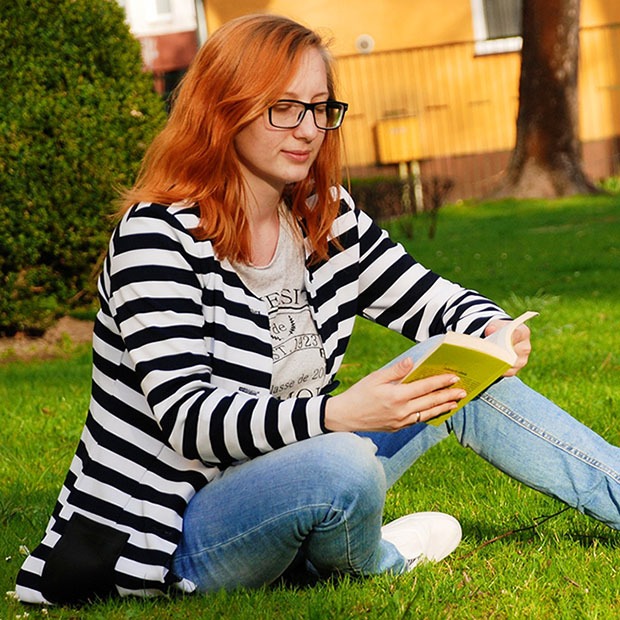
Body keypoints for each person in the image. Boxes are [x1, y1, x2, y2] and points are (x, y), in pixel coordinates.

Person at [16, 14, 619, 605]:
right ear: (222, 107)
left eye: (319, 108)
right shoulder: (156, 237)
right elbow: (188, 419)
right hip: (180, 527)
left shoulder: (322, 215)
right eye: (282, 107)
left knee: (455, 371)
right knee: (342, 463)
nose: (306, 128)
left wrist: (486, 329)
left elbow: (425, 296)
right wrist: (339, 413)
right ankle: (378, 560)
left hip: (306, 461)